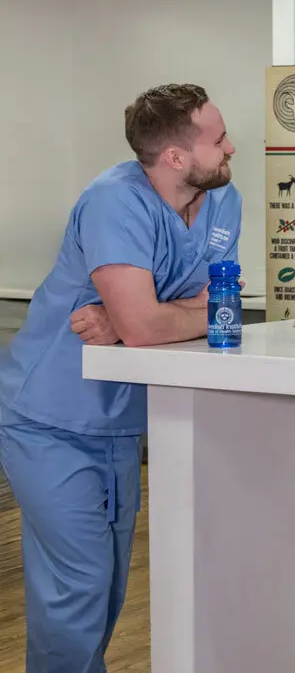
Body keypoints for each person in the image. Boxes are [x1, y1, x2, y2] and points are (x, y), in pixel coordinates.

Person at [0, 83, 242, 672]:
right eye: (218, 138)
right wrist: (162, 317)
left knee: (107, 590)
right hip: (48, 420)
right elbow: (159, 324)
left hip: (118, 424)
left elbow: (214, 310)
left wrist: (151, 317)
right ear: (176, 157)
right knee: (77, 586)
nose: (231, 147)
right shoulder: (114, 201)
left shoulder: (222, 200)